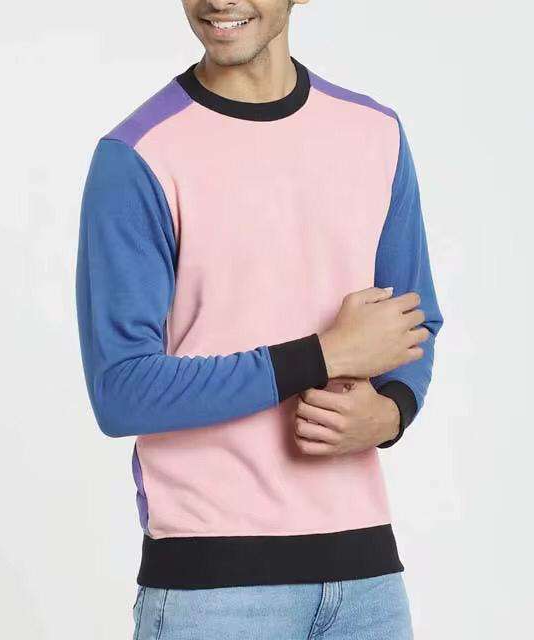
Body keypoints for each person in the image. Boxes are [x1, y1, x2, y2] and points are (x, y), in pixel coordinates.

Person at [75, 1, 444, 638]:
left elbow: (414, 321)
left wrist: (391, 413)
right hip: (212, 589)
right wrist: (322, 354)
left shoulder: (374, 133)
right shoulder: (137, 156)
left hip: (368, 581)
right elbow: (121, 390)